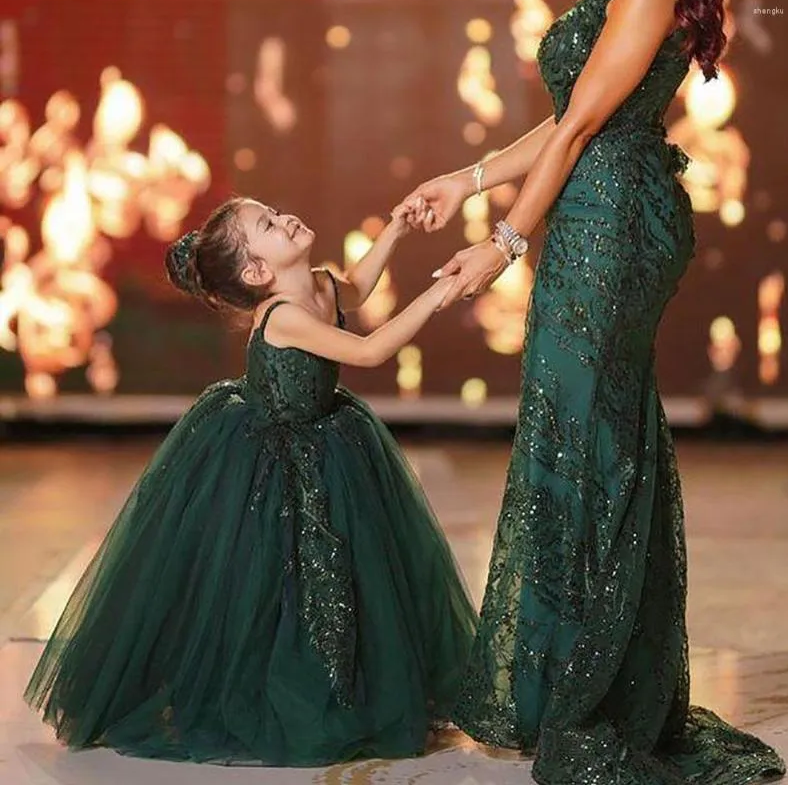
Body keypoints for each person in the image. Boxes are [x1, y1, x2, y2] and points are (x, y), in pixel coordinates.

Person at [403, 0, 786, 782]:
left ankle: (598, 691)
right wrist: (465, 179)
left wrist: (501, 242)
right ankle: (574, 677)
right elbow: (574, 114)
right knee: (574, 432)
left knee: (587, 439)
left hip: (611, 223)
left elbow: (580, 128)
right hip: (594, 208)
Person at [24, 197, 477, 766]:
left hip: (327, 436)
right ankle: (277, 688)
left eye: (277, 211)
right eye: (269, 224)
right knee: (276, 579)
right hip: (268, 453)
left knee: (336, 575)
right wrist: (439, 292)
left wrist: (395, 228)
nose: (287, 216)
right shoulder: (282, 316)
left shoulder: (316, 283)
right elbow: (370, 348)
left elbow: (355, 290)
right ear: (258, 272)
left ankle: (342, 678)